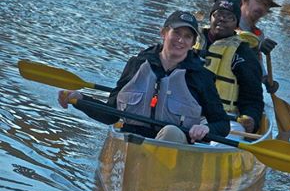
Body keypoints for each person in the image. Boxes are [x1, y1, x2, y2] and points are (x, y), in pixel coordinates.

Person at [58, 11, 230, 145]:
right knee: (129, 136)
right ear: (164, 33)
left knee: (170, 131)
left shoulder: (201, 77)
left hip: (175, 148)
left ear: (193, 43)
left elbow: (222, 123)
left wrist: (205, 128)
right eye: (176, 33)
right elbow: (111, 114)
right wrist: (81, 100)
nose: (180, 40)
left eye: (187, 36)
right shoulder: (137, 64)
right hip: (132, 144)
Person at [194, 0, 264, 133]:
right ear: (210, 17)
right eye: (218, 14)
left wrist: (251, 119)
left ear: (236, 24)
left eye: (229, 17)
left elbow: (253, 98)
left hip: (226, 119)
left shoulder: (244, 54)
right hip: (187, 111)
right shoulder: (189, 40)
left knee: (225, 138)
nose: (222, 19)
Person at [232, 0, 281, 94]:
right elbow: (232, 41)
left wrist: (266, 80)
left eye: (266, 5)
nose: (262, 8)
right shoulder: (228, 20)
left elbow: (258, 65)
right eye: (258, 0)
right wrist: (257, 46)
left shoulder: (258, 35)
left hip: (242, 92)